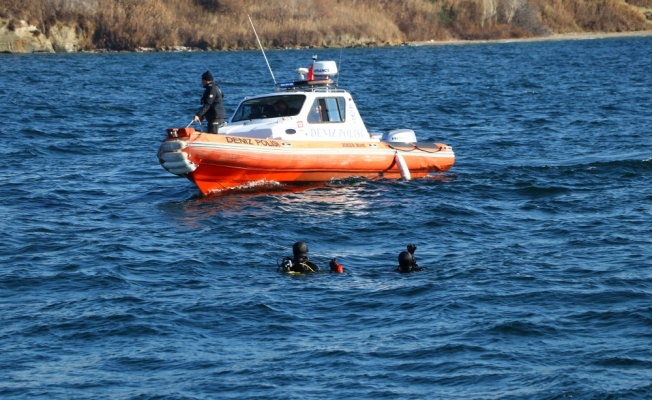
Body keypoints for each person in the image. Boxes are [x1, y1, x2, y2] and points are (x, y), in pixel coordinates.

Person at [278, 241, 344, 274]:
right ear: (306, 251)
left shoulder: (287, 264)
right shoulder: (310, 265)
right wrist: (332, 268)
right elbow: (322, 274)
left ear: (293, 251)